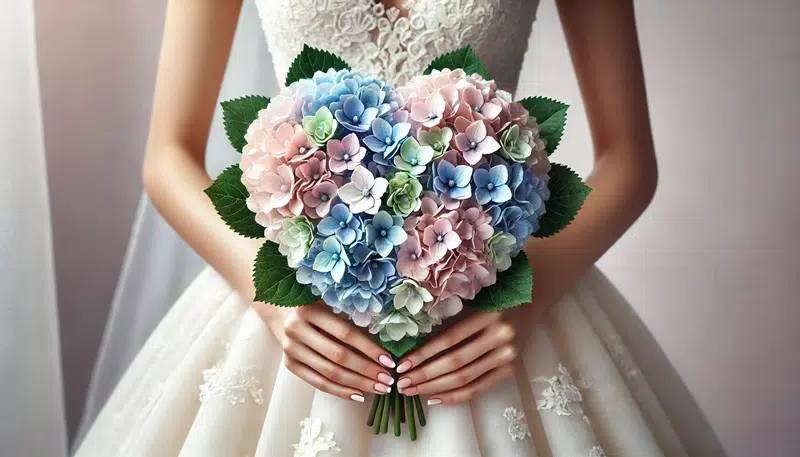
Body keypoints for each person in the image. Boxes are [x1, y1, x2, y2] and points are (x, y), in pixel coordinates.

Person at [74, 1, 699, 456]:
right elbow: (168, 156)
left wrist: (527, 303)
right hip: (300, 305)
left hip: (487, 298)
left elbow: (628, 161)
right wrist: (270, 302)